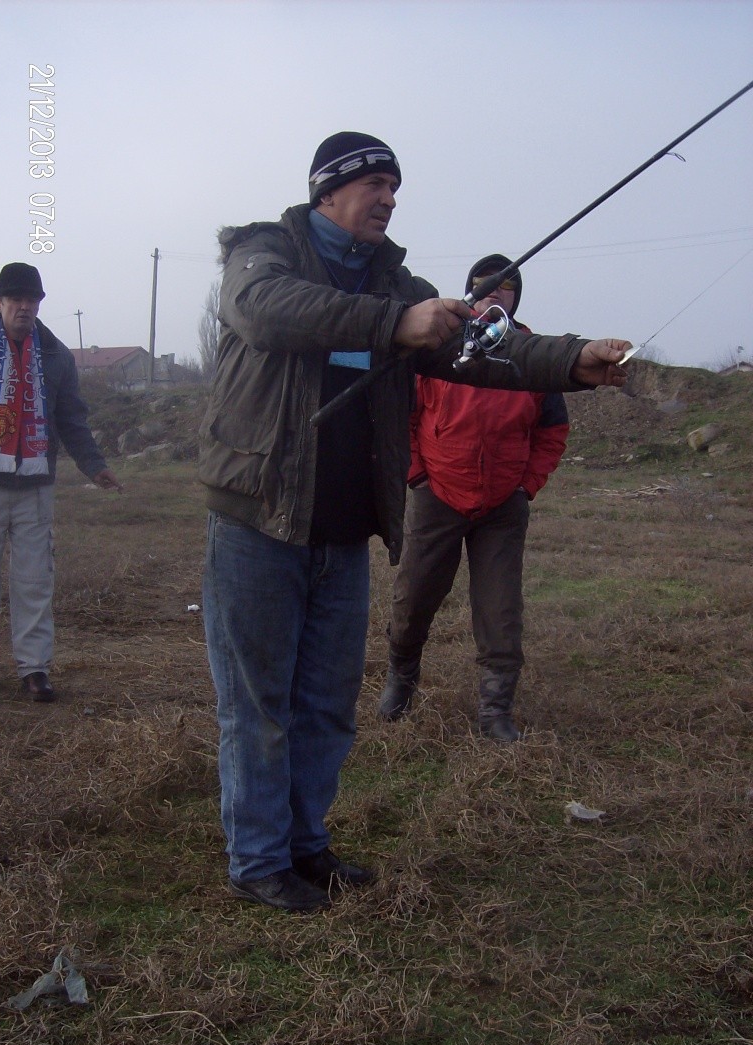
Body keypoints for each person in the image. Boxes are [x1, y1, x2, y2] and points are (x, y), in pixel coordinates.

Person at [198, 131, 630, 912]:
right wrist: (394, 323)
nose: (390, 199)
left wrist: (571, 361)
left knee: (327, 701)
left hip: (344, 528)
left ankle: (305, 843)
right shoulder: (266, 251)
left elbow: (482, 352)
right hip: (257, 520)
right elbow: (265, 312)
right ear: (329, 190)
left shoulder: (401, 282)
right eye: (376, 185)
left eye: (396, 187)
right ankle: (257, 860)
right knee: (259, 703)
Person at [378, 254, 569, 740]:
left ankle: (495, 711)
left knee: (500, 609)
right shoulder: (439, 346)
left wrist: (527, 487)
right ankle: (401, 678)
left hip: (503, 503)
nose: (494, 292)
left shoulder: (532, 353)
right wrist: (418, 475)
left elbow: (553, 431)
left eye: (506, 287)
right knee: (414, 597)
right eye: (484, 285)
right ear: (470, 292)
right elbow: (406, 415)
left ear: (515, 298)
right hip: (438, 492)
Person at [0, 263, 122, 701]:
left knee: (34, 581)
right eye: (16, 300)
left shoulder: (56, 355)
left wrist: (94, 465)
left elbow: (71, 418)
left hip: (34, 486)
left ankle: (34, 670)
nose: (24, 307)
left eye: (32, 300)